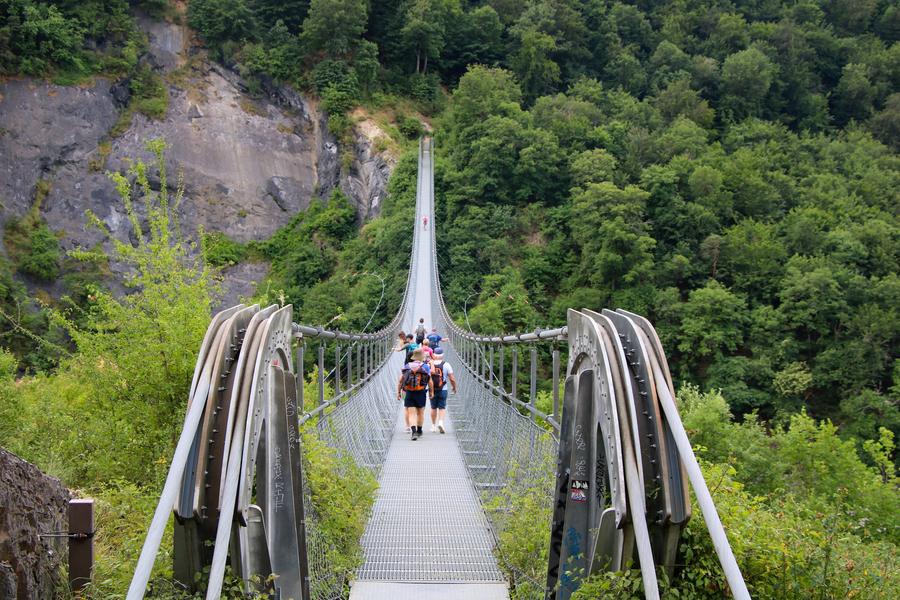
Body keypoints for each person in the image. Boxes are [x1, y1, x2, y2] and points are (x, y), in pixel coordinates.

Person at [397, 349, 434, 440]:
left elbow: (400, 381)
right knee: (420, 413)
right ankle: (419, 431)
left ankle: (413, 432)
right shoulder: (425, 367)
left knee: (411, 414)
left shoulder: (407, 366)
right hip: (421, 392)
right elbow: (430, 381)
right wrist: (431, 392)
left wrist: (398, 392)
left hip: (409, 392)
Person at [429, 348, 456, 434]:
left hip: (432, 389)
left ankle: (433, 426)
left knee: (433, 407)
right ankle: (440, 423)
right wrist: (454, 387)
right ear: (442, 355)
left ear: (434, 355)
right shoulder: (446, 364)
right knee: (442, 407)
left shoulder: (430, 364)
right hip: (443, 389)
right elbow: (452, 379)